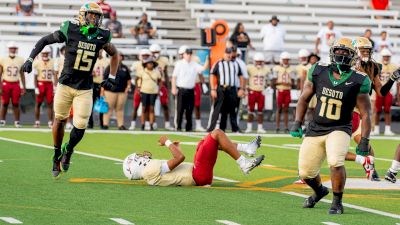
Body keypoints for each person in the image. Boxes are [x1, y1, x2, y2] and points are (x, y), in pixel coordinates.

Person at [22, 2, 119, 178]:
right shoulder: (70, 29)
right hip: (65, 84)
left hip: (85, 87)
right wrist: (30, 58)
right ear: (83, 15)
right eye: (92, 15)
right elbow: (45, 40)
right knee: (59, 119)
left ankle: (69, 149)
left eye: (97, 16)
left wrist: (112, 77)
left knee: (81, 125)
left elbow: (115, 54)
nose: (95, 19)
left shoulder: (102, 35)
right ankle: (56, 154)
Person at [290, 37, 372, 214]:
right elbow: (304, 98)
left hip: (340, 128)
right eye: (338, 51)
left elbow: (366, 113)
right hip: (316, 127)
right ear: (332, 52)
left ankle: (337, 201)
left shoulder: (359, 79)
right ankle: (319, 191)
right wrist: (297, 122)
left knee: (335, 162)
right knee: (305, 172)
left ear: (353, 56)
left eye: (346, 52)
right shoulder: (318, 70)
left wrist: (364, 140)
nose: (341, 54)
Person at [122, 130, 265, 186]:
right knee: (216, 134)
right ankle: (243, 163)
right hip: (198, 175)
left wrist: (175, 148)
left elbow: (176, 163)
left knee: (204, 143)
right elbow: (180, 158)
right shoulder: (149, 170)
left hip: (197, 173)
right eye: (138, 157)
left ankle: (247, 148)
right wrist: (167, 142)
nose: (142, 156)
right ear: (136, 164)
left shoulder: (150, 173)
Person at [344, 37, 399, 181]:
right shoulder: (346, 65)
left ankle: (371, 171)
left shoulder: (373, 67)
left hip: (359, 112)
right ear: (356, 51)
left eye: (368, 50)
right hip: (344, 110)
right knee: (329, 145)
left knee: (366, 145)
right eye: (363, 50)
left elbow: (381, 92)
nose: (366, 53)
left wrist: (392, 79)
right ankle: (305, 172)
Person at [207, 47, 245, 133]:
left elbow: (241, 76)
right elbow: (212, 75)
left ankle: (235, 128)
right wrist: (213, 89)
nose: (228, 55)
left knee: (232, 110)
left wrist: (241, 88)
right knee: (218, 109)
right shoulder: (219, 63)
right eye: (227, 53)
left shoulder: (235, 64)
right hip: (221, 89)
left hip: (232, 89)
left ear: (232, 54)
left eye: (230, 53)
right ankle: (212, 128)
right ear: (224, 53)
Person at [172, 47, 207, 132]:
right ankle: (178, 126)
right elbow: (174, 77)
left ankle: (189, 127)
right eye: (187, 53)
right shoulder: (179, 64)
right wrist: (173, 88)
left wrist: (207, 59)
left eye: (190, 54)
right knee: (180, 109)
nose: (189, 55)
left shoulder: (194, 64)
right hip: (181, 89)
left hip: (191, 90)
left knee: (189, 109)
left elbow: (203, 69)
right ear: (184, 55)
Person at [0, 41, 26, 128]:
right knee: (4, 103)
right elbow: (0, 73)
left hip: (16, 84)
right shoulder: (3, 59)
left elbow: (22, 74)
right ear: (8, 49)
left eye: (14, 48)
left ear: (16, 49)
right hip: (6, 83)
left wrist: (24, 87)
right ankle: (2, 120)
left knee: (16, 103)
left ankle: (17, 121)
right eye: (11, 48)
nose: (13, 50)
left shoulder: (21, 59)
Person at [102, 53, 131, 130]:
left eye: (120, 56)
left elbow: (128, 79)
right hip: (110, 91)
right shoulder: (109, 67)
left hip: (122, 91)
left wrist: (128, 87)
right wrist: (102, 91)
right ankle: (105, 124)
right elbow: (104, 79)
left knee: (120, 109)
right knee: (109, 108)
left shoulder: (125, 68)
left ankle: (121, 125)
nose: (119, 57)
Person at [245, 53, 270, 133]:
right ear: (254, 61)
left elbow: (270, 79)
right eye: (257, 61)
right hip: (252, 91)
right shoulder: (250, 68)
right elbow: (244, 76)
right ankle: (249, 127)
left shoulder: (266, 69)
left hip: (261, 92)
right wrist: (246, 85)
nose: (259, 63)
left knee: (260, 110)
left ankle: (260, 127)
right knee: (250, 110)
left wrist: (267, 87)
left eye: (260, 61)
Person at [373, 48, 396, 135]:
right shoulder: (377, 65)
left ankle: (387, 129)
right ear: (382, 57)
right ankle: (376, 128)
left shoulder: (393, 66)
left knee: (387, 110)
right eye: (385, 57)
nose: (386, 58)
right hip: (379, 90)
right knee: (378, 110)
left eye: (387, 57)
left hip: (388, 91)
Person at [33, 46, 57, 128]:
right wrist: (36, 87)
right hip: (40, 83)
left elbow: (55, 75)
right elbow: (35, 76)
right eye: (44, 53)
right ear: (41, 53)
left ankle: (50, 121)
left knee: (50, 104)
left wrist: (55, 86)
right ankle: (37, 121)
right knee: (38, 103)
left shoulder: (53, 62)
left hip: (49, 84)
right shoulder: (37, 62)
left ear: (49, 53)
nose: (45, 54)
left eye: (46, 53)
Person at [150, 44, 172, 130]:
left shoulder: (164, 60)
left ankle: (167, 123)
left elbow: (166, 73)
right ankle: (152, 123)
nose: (155, 54)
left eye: (157, 52)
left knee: (165, 104)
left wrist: (167, 85)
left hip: (162, 83)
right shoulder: (148, 59)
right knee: (151, 105)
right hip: (151, 83)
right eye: (153, 52)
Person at [272, 51, 295, 133]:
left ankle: (286, 127)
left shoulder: (291, 69)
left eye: (287, 60)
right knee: (279, 109)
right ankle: (277, 127)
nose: (286, 61)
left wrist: (290, 83)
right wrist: (281, 83)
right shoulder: (276, 68)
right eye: (285, 60)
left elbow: (293, 82)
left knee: (286, 109)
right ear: (281, 60)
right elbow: (273, 82)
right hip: (280, 90)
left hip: (287, 90)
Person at [128, 49, 151, 130]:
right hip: (138, 88)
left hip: (148, 89)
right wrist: (132, 81)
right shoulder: (137, 64)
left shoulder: (151, 64)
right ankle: (133, 124)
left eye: (147, 55)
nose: (145, 57)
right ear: (140, 56)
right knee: (135, 106)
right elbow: (129, 72)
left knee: (147, 107)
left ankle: (147, 124)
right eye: (143, 55)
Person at [136, 57, 161, 130]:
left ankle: (151, 124)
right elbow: (137, 79)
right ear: (146, 64)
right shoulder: (142, 72)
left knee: (151, 108)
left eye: (152, 63)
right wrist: (138, 88)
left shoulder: (156, 72)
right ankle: (143, 124)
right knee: (143, 108)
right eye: (149, 63)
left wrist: (159, 89)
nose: (150, 65)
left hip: (153, 92)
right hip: (144, 91)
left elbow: (160, 81)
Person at [88, 49, 109, 129]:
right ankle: (90, 123)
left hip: (103, 85)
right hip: (93, 83)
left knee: (102, 104)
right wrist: (90, 73)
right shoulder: (91, 60)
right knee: (90, 104)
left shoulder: (107, 61)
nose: (99, 53)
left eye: (100, 51)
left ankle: (102, 123)